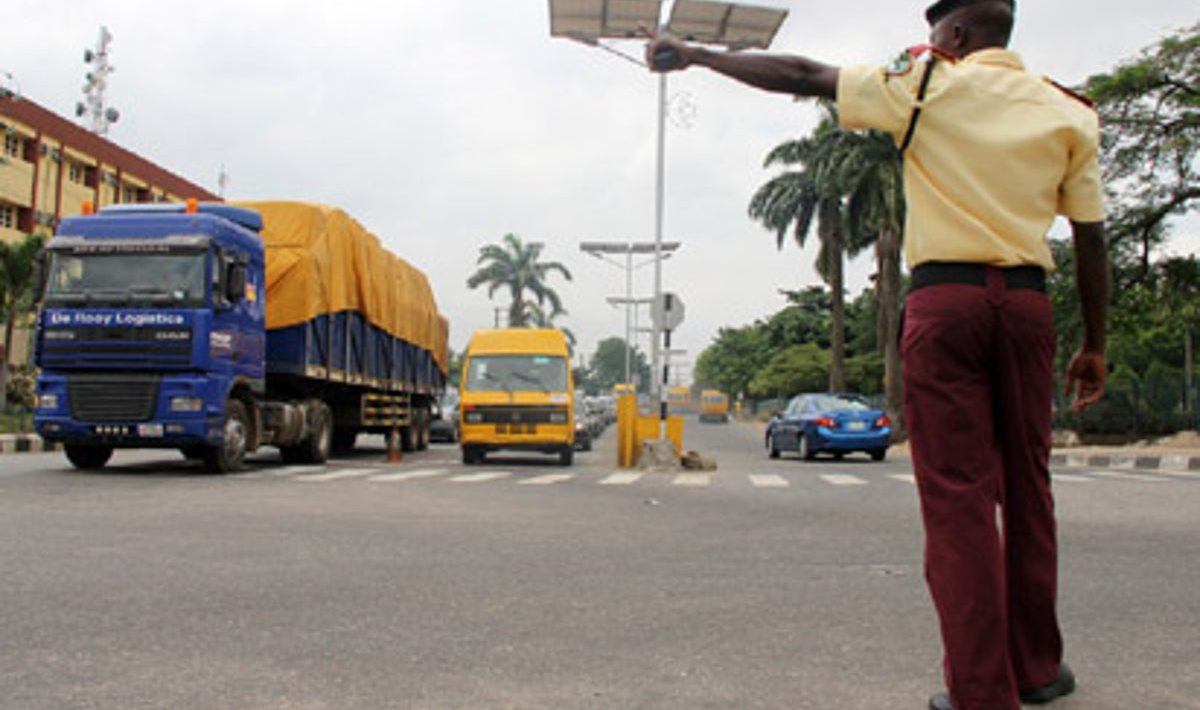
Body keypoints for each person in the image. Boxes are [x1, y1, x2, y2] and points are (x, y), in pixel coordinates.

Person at [645, 1, 1108, 708]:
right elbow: (1091, 238)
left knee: (957, 501)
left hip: (945, 302)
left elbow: (803, 74)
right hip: (1027, 308)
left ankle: (982, 691)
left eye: (936, 33)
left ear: (953, 34)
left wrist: (699, 55)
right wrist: (1094, 345)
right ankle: (1038, 668)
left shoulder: (926, 83)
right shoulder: (1068, 112)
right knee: (1029, 489)